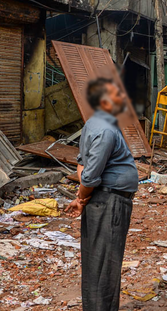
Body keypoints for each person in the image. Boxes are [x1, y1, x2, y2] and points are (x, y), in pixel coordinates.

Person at [64, 77, 138, 311]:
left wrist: (82, 197)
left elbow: (82, 164)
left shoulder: (93, 125)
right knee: (105, 262)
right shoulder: (105, 130)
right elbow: (89, 176)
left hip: (104, 199)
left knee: (97, 258)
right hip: (110, 201)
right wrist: (82, 196)